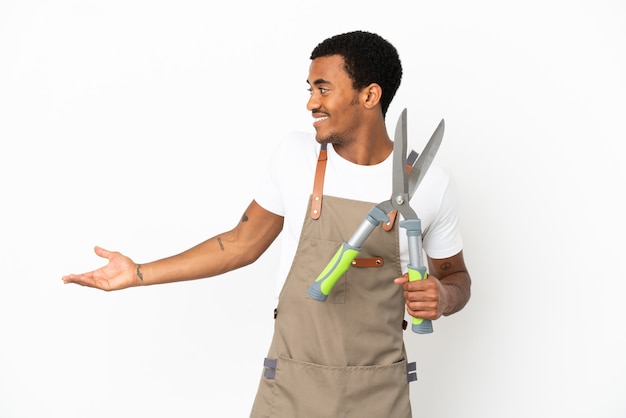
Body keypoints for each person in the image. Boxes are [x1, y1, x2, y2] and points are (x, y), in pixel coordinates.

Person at [63, 30, 471, 418]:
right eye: (310, 89)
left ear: (369, 95)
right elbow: (240, 243)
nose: (312, 103)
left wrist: (444, 296)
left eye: (323, 88)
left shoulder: (432, 183)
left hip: (380, 392)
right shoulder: (295, 157)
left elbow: (456, 278)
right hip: (292, 386)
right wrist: (137, 273)